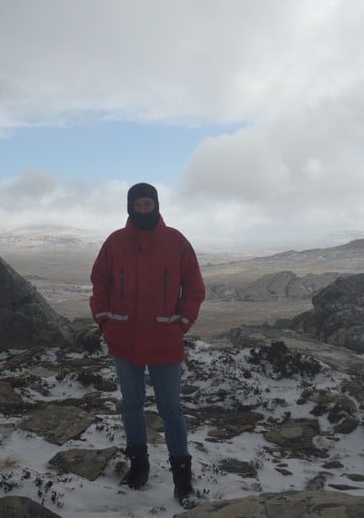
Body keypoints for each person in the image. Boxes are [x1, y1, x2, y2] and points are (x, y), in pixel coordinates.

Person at [89, 182, 206, 507]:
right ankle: (138, 467)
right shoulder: (115, 242)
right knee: (131, 405)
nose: (144, 210)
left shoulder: (176, 242)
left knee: (171, 408)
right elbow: (100, 281)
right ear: (130, 207)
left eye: (148, 204)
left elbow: (194, 287)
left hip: (164, 339)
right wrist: (103, 319)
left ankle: (183, 480)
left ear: (156, 205)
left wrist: (182, 322)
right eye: (138, 205)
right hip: (124, 339)